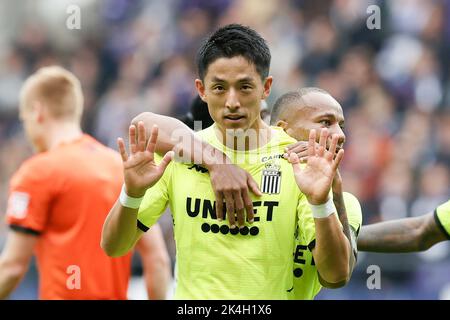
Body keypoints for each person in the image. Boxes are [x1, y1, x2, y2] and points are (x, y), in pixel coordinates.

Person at [101, 24, 351, 299]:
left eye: (245, 87)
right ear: (202, 89)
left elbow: (336, 276)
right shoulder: (181, 153)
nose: (232, 101)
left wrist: (320, 202)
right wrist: (132, 195)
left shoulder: (297, 159)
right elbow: (113, 247)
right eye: (219, 88)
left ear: (266, 87)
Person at [134, 87, 362, 300]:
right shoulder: (218, 169)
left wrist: (333, 191)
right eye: (325, 122)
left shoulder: (343, 203)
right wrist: (217, 162)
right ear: (283, 130)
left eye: (341, 125)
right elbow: (145, 123)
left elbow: (337, 275)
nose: (340, 134)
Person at [0, 66, 171, 300]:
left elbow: (12, 267)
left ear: (37, 111)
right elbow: (158, 259)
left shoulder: (37, 172)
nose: (27, 130)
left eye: (24, 119)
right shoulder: (124, 169)